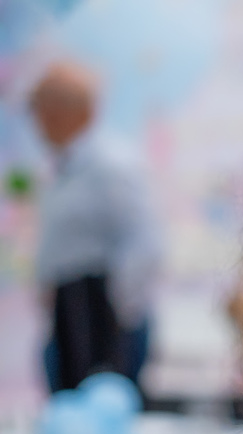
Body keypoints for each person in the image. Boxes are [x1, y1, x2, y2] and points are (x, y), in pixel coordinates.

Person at [29, 61, 161, 394]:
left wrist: (116, 317)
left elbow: (143, 242)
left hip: (99, 314)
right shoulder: (64, 166)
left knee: (101, 409)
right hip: (71, 309)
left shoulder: (111, 164)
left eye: (41, 110)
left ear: (61, 111)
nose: (36, 123)